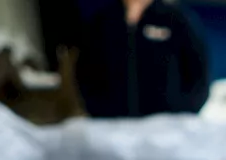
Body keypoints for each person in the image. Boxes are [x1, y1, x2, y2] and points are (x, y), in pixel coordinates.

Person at [75, 0, 210, 118]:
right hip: (112, 130)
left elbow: (199, 75)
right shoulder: (102, 22)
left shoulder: (176, 20)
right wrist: (99, 110)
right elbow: (85, 73)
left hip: (165, 132)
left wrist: (181, 113)